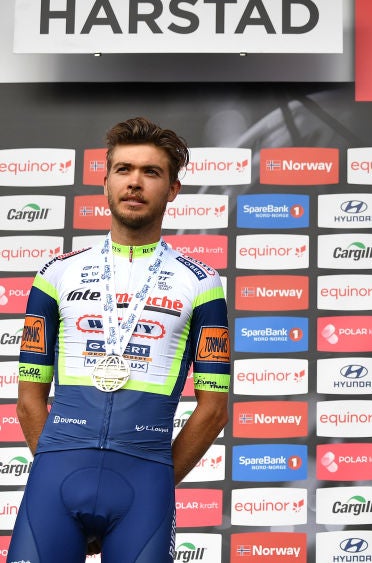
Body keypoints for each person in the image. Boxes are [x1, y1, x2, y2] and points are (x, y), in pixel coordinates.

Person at [10, 117, 231, 562]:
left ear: (172, 190)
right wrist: (58, 464)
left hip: (144, 486)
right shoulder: (56, 274)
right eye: (124, 169)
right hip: (55, 480)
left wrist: (153, 479)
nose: (135, 182)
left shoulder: (203, 283)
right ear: (105, 182)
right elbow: (29, 398)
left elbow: (213, 408)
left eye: (151, 172)